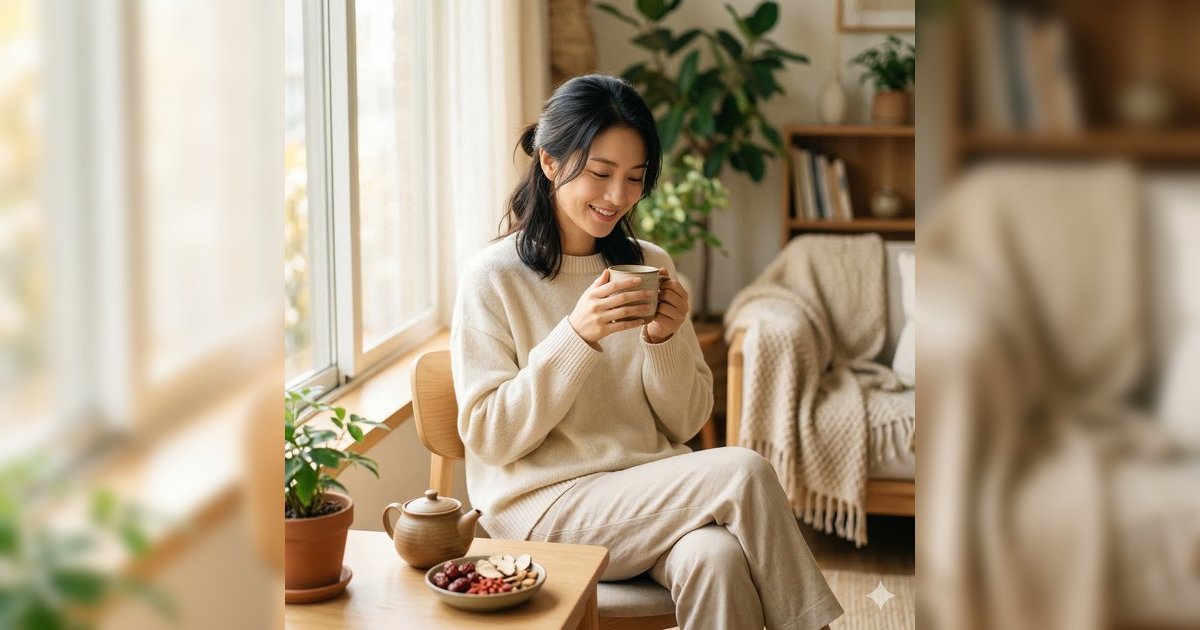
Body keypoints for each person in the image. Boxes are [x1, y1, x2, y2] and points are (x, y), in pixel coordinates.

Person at [450, 74, 842, 630]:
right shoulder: (492, 278)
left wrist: (662, 342)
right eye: (600, 173)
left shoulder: (649, 264)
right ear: (550, 162)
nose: (617, 197)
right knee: (745, 471)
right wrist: (577, 336)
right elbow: (490, 435)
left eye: (634, 179)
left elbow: (684, 421)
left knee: (718, 559)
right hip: (543, 509)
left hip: (648, 498)